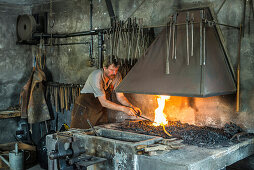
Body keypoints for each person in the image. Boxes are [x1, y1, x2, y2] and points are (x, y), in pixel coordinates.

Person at [70, 56, 142, 129]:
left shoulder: (117, 76)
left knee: (99, 130)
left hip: (99, 107)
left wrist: (131, 107)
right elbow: (104, 102)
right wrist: (124, 109)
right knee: (80, 132)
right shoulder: (97, 76)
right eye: (112, 70)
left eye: (116, 70)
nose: (114, 73)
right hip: (85, 106)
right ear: (104, 68)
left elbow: (120, 97)